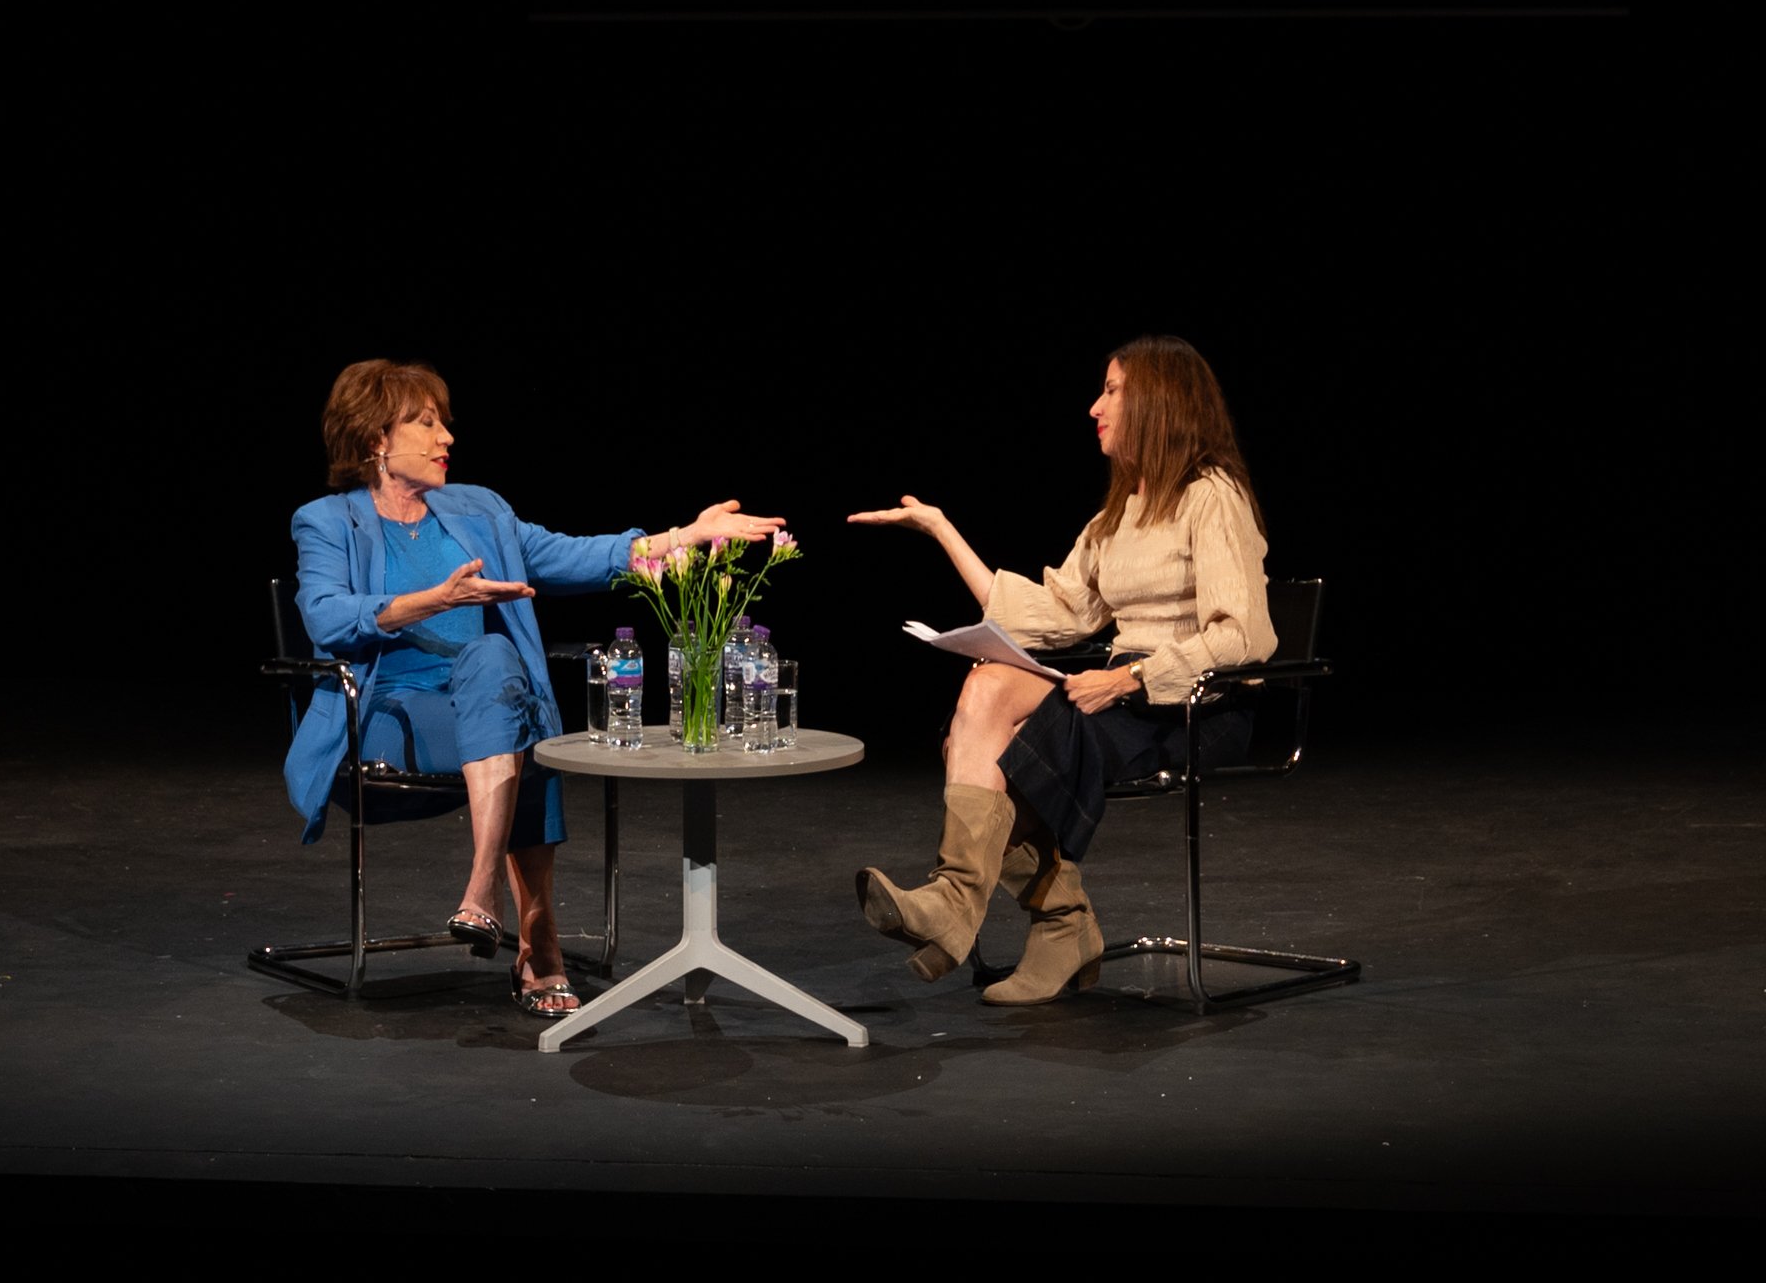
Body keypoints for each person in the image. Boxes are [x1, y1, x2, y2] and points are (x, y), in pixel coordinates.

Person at [285, 359, 782, 1018]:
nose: (446, 438)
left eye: (445, 423)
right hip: (385, 709)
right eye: (426, 422)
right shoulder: (327, 521)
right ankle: (536, 940)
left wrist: (682, 537)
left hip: (482, 700)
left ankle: (485, 893)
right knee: (523, 718)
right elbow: (324, 615)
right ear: (376, 437)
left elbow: (575, 554)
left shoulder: (479, 509)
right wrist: (437, 598)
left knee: (498, 663)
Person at [847, 335, 1276, 1005]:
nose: (1094, 406)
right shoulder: (1120, 511)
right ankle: (1028, 916)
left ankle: (1010, 914)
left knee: (1022, 743)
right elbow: (1050, 613)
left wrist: (1131, 678)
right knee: (983, 693)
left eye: (1112, 391)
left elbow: (1244, 633)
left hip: (1197, 700)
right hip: (1122, 690)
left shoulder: (1210, 495)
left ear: (1159, 403)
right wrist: (940, 530)